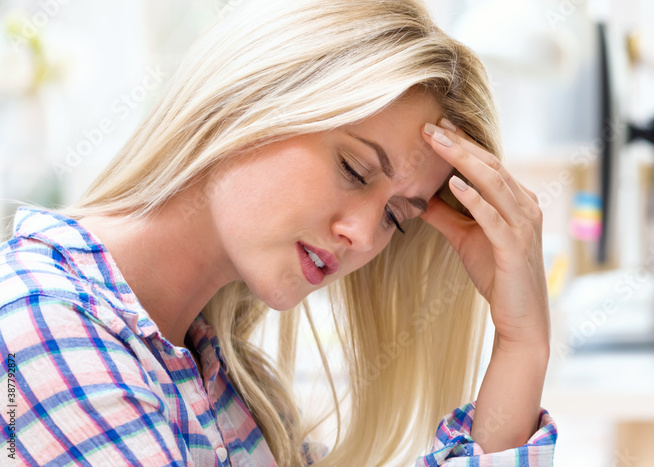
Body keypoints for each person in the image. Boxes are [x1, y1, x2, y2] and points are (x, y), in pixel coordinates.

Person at [0, 0, 557, 465]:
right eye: (354, 169)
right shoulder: (40, 329)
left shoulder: (234, 389)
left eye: (395, 215)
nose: (364, 235)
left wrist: (522, 343)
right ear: (254, 98)